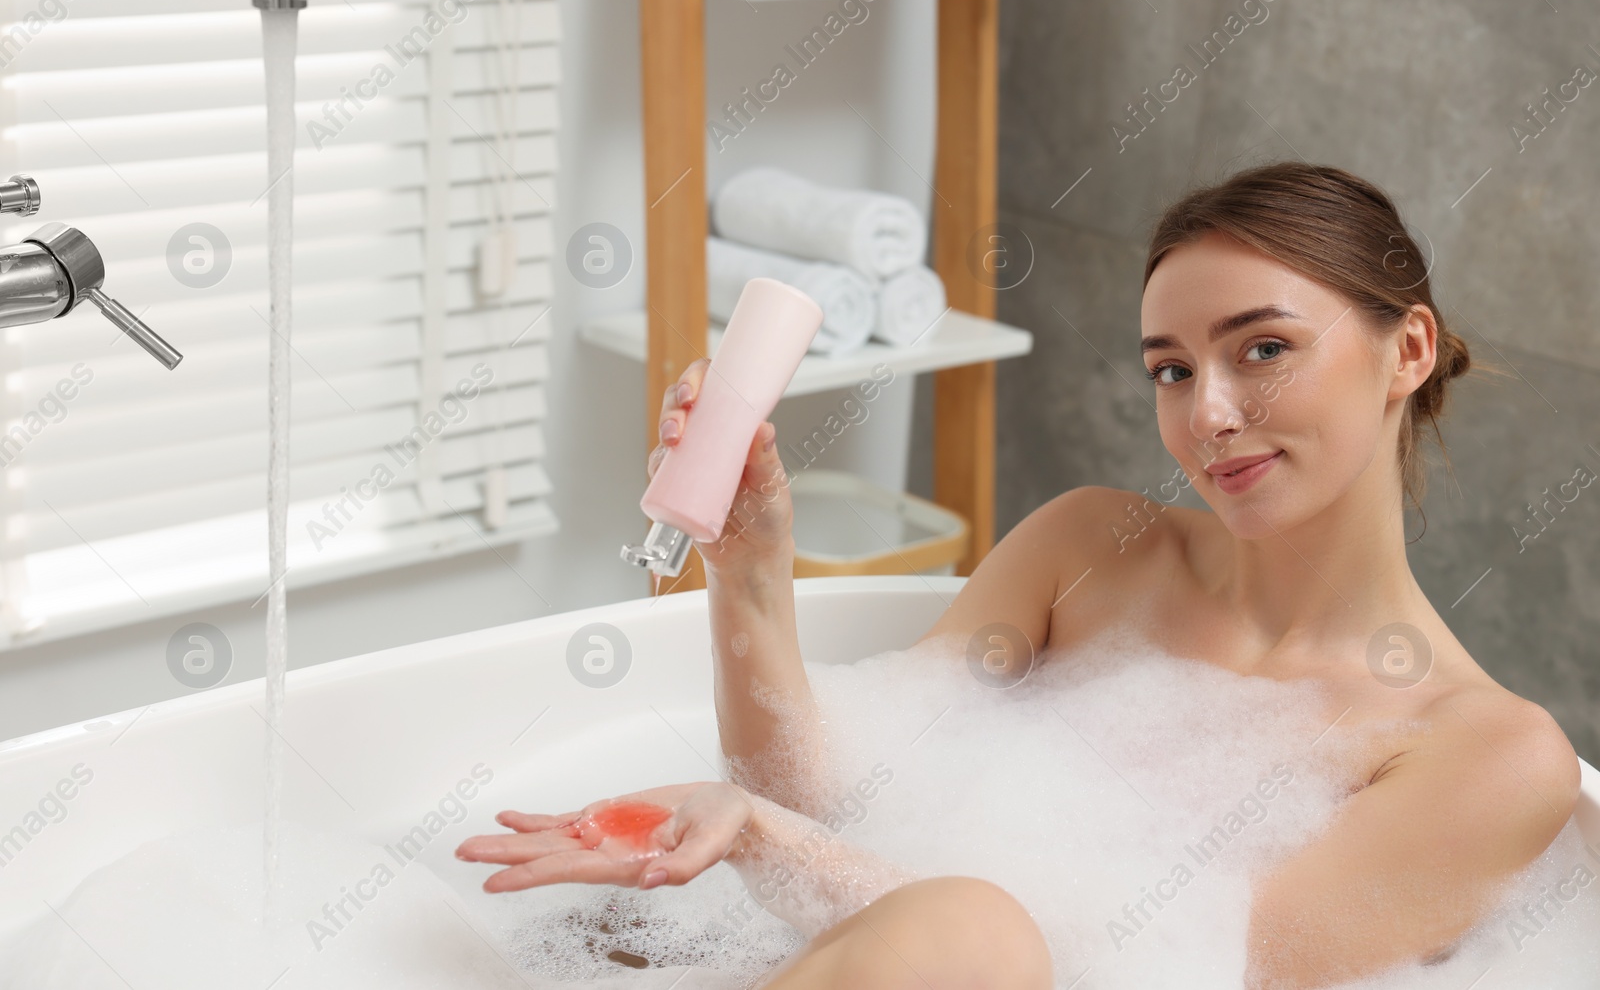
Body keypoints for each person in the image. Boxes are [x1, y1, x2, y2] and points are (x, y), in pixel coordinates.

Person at [457, 162, 1581, 990]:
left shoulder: (1488, 754)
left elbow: (1171, 973)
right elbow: (821, 807)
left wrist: (765, 836)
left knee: (972, 929)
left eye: (1264, 348)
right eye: (1171, 368)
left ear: (1410, 350)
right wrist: (749, 563)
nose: (1210, 413)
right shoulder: (1090, 546)